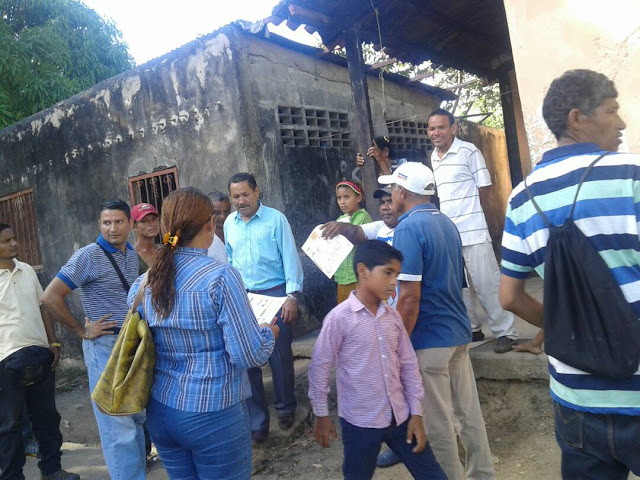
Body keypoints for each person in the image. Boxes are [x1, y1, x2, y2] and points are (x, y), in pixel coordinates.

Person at [499, 69, 640, 479]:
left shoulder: (522, 198)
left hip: (576, 400)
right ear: (577, 118)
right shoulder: (631, 175)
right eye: (612, 111)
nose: (622, 122)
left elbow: (508, 297)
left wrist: (567, 326)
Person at [128, 187, 278, 479]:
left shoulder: (145, 282)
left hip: (160, 410)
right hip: (213, 412)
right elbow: (248, 355)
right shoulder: (220, 277)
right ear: (210, 225)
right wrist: (268, 333)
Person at [378, 162, 495, 480]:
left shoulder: (407, 228)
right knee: (468, 414)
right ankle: (483, 474)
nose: (391, 195)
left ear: (402, 191)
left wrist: (396, 342)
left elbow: (409, 297)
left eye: (392, 189)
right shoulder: (446, 222)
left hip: (429, 340)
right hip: (457, 332)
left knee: (438, 423)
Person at [309, 240, 446, 480]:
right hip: (360, 422)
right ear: (363, 271)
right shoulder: (339, 319)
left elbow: (409, 365)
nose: (394, 282)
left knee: (432, 475)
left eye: (397, 274)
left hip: (400, 416)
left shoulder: (392, 318)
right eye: (388, 273)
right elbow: (320, 366)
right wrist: (321, 414)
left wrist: (416, 413)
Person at [41, 199, 146, 480]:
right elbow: (50, 296)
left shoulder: (131, 254)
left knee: (134, 417)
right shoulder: (88, 255)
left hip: (129, 345)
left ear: (130, 224)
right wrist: (81, 331)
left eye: (119, 222)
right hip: (103, 347)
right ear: (99, 225)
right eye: (106, 223)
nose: (112, 228)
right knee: (117, 426)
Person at [427, 108, 518, 352]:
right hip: (449, 233)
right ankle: (473, 329)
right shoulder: (433, 157)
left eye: (441, 127)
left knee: (487, 282)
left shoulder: (468, 151)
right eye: (432, 128)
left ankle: (505, 332)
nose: (436, 133)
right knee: (460, 286)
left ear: (453, 128)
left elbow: (484, 187)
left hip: (474, 229)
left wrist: (475, 215)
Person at [224, 172, 304, 442]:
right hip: (244, 298)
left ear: (257, 192)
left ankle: (285, 408)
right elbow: (231, 262)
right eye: (235, 196)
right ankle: (257, 422)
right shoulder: (229, 224)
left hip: (275, 294)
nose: (240, 200)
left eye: (245, 194)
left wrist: (292, 296)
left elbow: (290, 257)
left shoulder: (275, 219)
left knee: (279, 356)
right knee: (248, 360)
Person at [0, 224, 80, 480]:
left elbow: (43, 306)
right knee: (9, 426)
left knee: (46, 418)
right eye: (6, 241)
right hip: (5, 360)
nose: (14, 244)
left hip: (38, 355)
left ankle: (52, 470)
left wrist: (53, 342)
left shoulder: (26, 271)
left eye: (14, 238)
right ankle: (12, 475)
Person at [332, 181, 372, 303]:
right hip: (343, 276)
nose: (342, 202)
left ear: (358, 197)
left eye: (347, 197)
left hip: (357, 277)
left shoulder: (362, 216)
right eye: (339, 198)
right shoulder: (340, 219)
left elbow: (352, 237)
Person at [131, 202, 161, 274]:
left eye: (154, 219)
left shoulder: (165, 251)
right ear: (134, 226)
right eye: (144, 221)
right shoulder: (130, 257)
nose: (151, 224)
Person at [206, 191, 231, 264]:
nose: (223, 216)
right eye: (217, 213)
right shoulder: (202, 239)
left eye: (226, 212)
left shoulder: (236, 231)